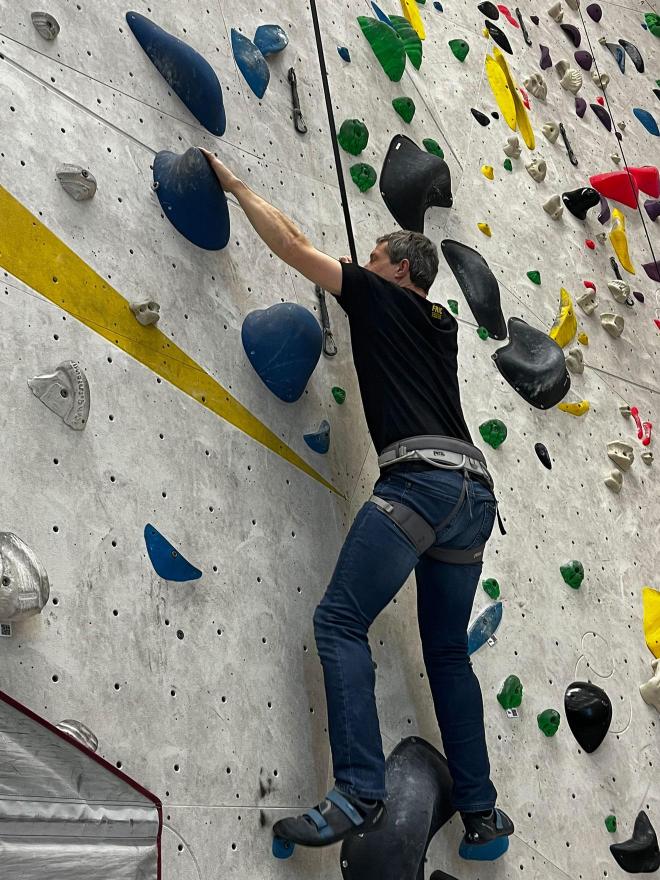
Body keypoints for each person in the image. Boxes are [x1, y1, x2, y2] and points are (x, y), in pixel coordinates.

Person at [201, 149, 514, 860]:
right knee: (446, 654)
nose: (364, 266)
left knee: (340, 619)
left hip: (419, 485)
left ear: (400, 268)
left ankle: (357, 791)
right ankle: (484, 816)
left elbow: (291, 244)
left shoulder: (378, 296)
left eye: (374, 257)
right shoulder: (442, 327)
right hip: (474, 495)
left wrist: (238, 182)